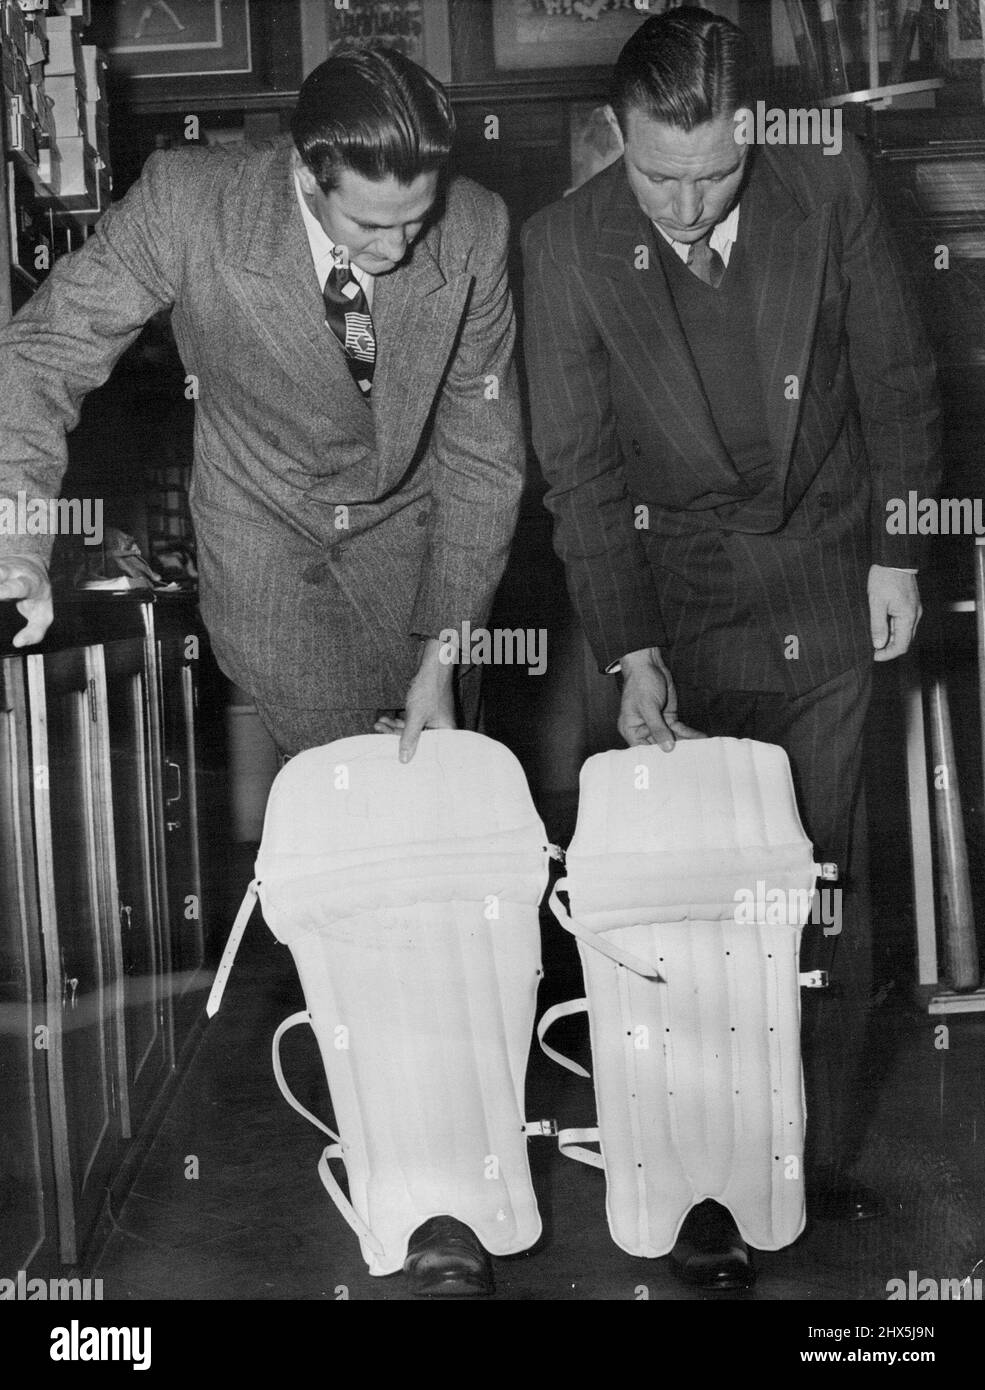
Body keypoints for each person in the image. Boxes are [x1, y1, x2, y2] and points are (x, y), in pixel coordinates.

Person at [0, 44, 525, 1294]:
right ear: (304, 171)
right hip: (273, 549)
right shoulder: (190, 205)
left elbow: (483, 452)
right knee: (370, 844)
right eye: (372, 224)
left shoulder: (479, 228)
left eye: (420, 219)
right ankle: (423, 1180)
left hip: (419, 553)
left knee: (448, 846)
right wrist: (18, 533)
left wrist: (450, 643)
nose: (401, 250)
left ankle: (449, 1135)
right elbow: (43, 351)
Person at [522, 7, 940, 1290]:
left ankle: (794, 1153)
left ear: (750, 127)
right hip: (676, 598)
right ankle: (697, 1173)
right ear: (618, 139)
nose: (686, 204)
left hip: (825, 565)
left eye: (710, 172)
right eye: (657, 174)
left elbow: (896, 368)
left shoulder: (829, 182)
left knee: (816, 882)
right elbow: (581, 471)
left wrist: (899, 548)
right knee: (684, 903)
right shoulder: (566, 247)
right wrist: (627, 649)